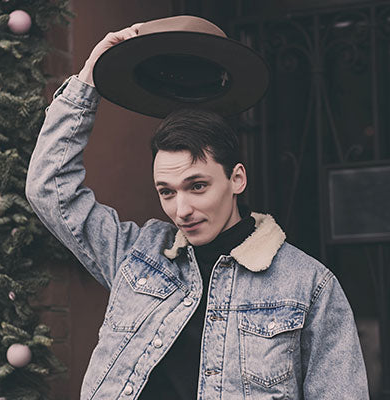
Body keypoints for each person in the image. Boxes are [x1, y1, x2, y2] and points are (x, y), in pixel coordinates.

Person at [26, 23, 369, 400]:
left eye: (197, 186)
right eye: (166, 192)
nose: (181, 209)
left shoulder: (308, 285)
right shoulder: (136, 255)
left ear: (237, 179)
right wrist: (89, 79)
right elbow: (49, 188)